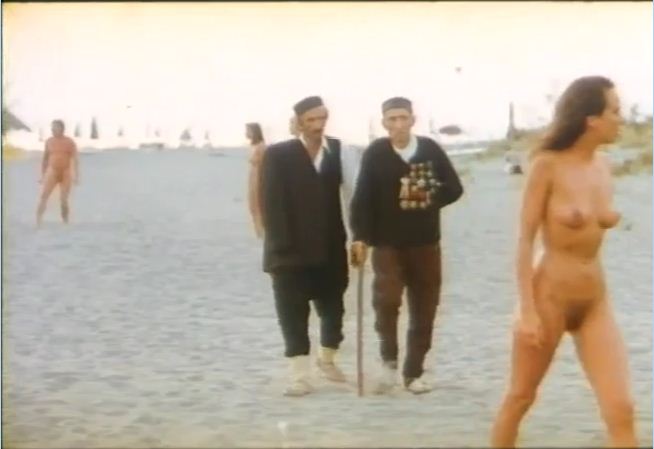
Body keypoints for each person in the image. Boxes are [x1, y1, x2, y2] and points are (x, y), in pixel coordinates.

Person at [490, 76, 637, 448]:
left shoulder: (603, 166)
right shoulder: (547, 166)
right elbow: (525, 240)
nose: (621, 119)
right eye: (615, 111)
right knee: (520, 397)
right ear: (591, 119)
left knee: (621, 408)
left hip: (594, 300)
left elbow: (594, 221)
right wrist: (526, 311)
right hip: (549, 298)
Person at [350, 97, 463, 394]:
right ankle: (388, 363)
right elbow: (362, 199)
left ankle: (413, 373)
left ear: (413, 120)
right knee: (386, 300)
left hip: (425, 241)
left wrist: (425, 196)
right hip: (386, 242)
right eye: (392, 119)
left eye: (403, 118)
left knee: (425, 305)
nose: (398, 124)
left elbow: (454, 188)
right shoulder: (376, 153)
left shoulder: (429, 149)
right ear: (384, 123)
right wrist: (359, 237)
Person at [260, 96, 359, 397]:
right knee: (292, 314)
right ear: (299, 122)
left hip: (330, 246)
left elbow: (354, 197)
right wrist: (279, 247)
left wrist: (359, 237)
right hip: (288, 250)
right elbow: (270, 202)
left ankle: (326, 358)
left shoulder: (339, 151)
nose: (318, 125)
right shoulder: (277, 155)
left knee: (333, 310)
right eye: (311, 120)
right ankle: (299, 376)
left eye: (322, 119)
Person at [36, 119, 79, 227]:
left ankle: (65, 221)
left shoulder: (69, 142)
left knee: (63, 199)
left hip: (65, 172)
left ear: (62, 128)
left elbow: (75, 159)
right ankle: (38, 221)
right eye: (52, 127)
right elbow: (45, 159)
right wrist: (42, 175)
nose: (52, 129)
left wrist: (76, 176)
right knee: (44, 196)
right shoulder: (49, 141)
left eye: (55, 127)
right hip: (53, 171)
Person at [246, 122, 266, 239]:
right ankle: (258, 233)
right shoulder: (254, 146)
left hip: (258, 178)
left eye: (248, 131)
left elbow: (264, 164)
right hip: (253, 178)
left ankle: (261, 233)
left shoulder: (261, 147)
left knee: (257, 205)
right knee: (252, 206)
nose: (246, 133)